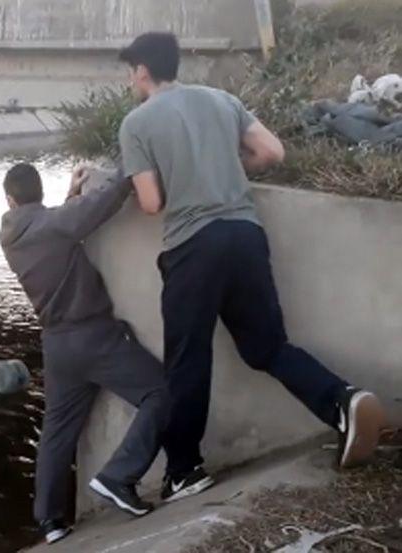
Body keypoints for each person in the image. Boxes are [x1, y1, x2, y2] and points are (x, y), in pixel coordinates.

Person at [116, 32, 387, 503]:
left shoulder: (136, 123)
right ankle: (342, 399)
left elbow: (151, 201)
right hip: (245, 234)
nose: (130, 80)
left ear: (141, 71)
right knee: (266, 346)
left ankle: (183, 471)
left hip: (192, 248)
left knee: (187, 360)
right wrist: (223, 164)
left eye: (130, 72)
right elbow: (271, 153)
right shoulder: (222, 100)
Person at [0, 163, 171, 545]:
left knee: (57, 431)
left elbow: (51, 225)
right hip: (94, 337)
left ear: (9, 199)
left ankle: (50, 521)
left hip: (57, 346)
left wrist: (69, 197)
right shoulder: (53, 224)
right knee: (162, 393)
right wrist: (130, 166)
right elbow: (102, 203)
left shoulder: (11, 235)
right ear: (38, 194)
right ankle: (119, 477)